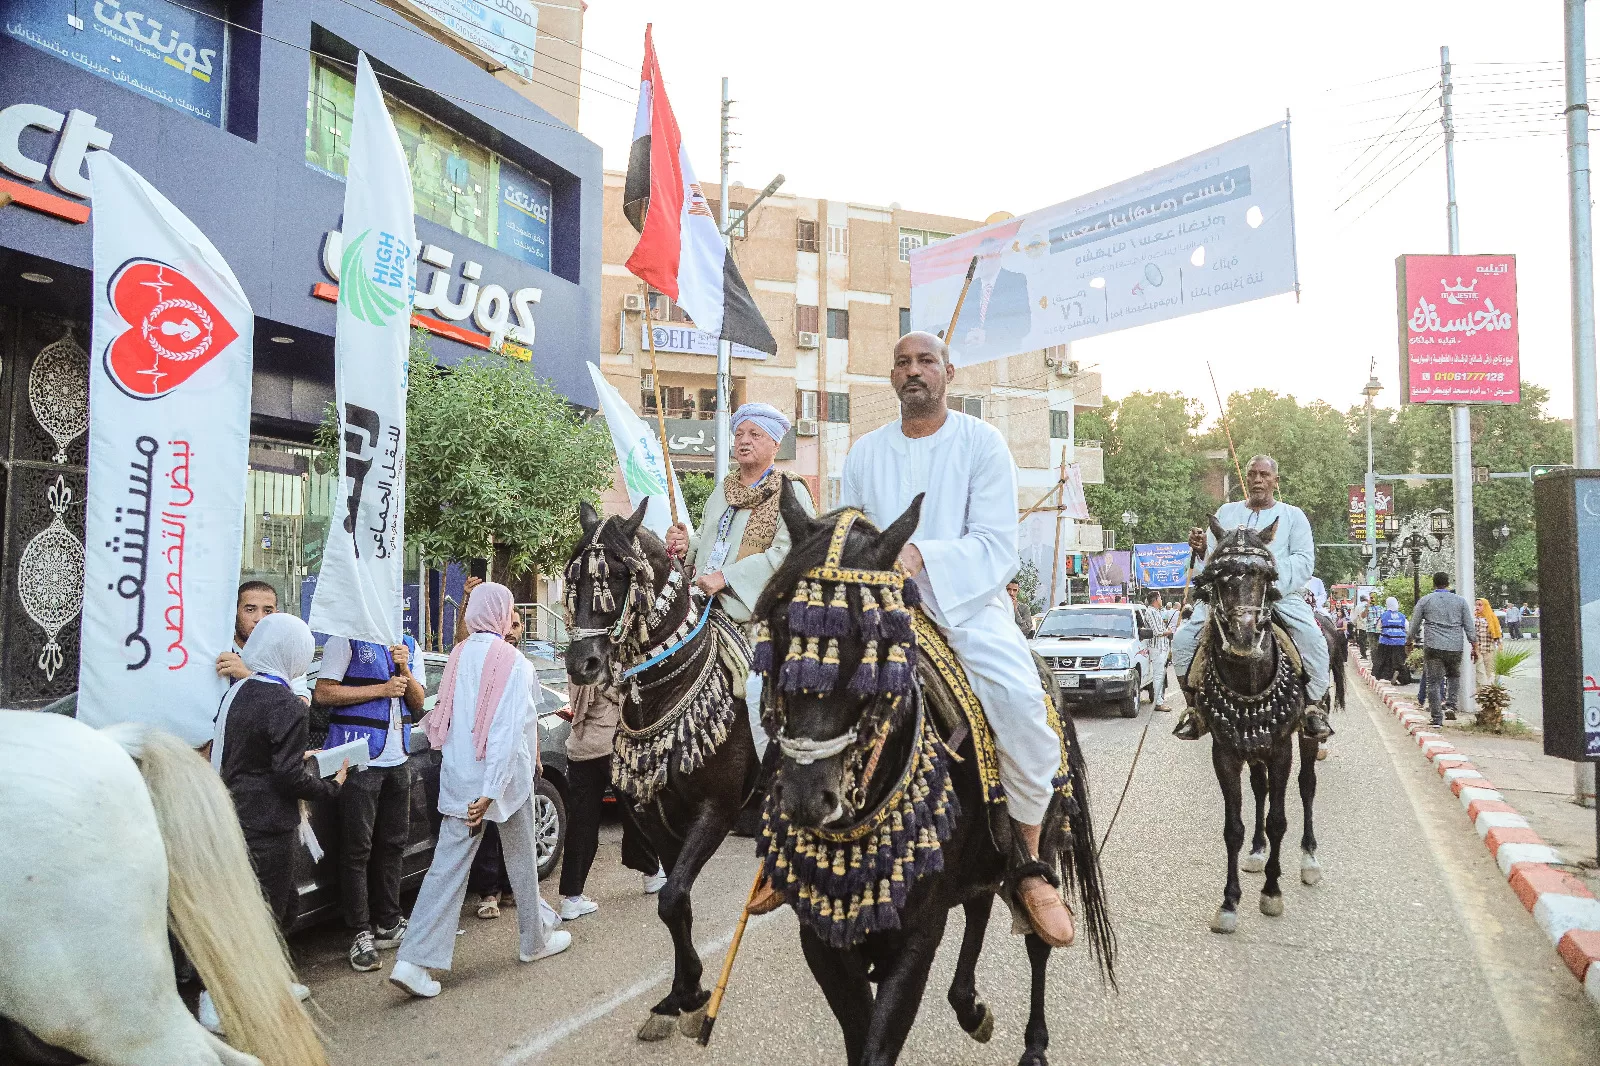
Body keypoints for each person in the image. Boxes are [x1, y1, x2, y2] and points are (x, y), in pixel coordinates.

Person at [833, 330, 1074, 947]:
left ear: (948, 372)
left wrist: (919, 554)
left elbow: (998, 546)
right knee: (801, 688)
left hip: (967, 606)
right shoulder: (864, 453)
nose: (914, 371)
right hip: (879, 611)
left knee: (1022, 704)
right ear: (891, 377)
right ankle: (799, 842)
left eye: (926, 361)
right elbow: (849, 537)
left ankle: (1026, 859)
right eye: (903, 363)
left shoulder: (983, 443)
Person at [389, 583, 570, 998]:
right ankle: (534, 940)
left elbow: (449, 717)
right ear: (502, 613)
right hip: (502, 781)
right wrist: (491, 790)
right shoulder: (515, 663)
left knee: (447, 868)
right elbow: (506, 733)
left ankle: (413, 960)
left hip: (461, 778)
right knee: (522, 861)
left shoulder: (458, 655)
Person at [203, 613, 346, 1031]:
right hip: (268, 822)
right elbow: (286, 777)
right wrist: (331, 785)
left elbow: (246, 754)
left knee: (275, 905)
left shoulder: (239, 691)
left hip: (232, 811)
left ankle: (273, 981)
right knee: (263, 911)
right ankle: (220, 1000)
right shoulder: (288, 704)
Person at [1171, 455, 1332, 741]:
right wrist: (1199, 550)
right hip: (1227, 598)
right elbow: (1212, 562)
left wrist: (1263, 576)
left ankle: (1312, 708)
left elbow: (1305, 561)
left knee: (1314, 640)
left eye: (1264, 475)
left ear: (1275, 481)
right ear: (1246, 479)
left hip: (1278, 595)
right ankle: (1194, 711)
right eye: (1253, 474)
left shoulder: (1294, 516)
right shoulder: (1226, 512)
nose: (1258, 480)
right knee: (1183, 640)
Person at [314, 629, 427, 972]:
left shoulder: (407, 644)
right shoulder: (345, 639)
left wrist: (404, 671)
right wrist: (381, 688)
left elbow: (419, 704)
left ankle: (389, 921)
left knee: (393, 844)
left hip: (398, 760)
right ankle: (359, 931)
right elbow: (322, 693)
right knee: (356, 849)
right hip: (359, 760)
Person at [556, 682, 665, 920]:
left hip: (580, 747)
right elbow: (626, 694)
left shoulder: (575, 660)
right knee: (633, 811)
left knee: (581, 823)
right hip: (612, 745)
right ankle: (651, 874)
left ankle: (572, 898)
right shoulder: (604, 655)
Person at [216, 581, 310, 700]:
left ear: (277, 616)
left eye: (268, 611)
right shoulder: (218, 648)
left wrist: (249, 677)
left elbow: (301, 704)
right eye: (250, 610)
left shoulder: (287, 655)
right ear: (234, 613)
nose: (259, 618)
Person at [1409, 573, 1477, 728]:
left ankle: (1437, 718)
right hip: (1455, 646)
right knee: (1454, 676)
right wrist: (1474, 645)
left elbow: (1414, 624)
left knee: (1433, 682)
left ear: (1434, 584)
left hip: (1433, 646)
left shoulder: (1425, 600)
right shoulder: (1460, 601)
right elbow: (1469, 625)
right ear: (1448, 584)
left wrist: (1409, 642)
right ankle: (1451, 706)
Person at [1145, 592, 1172, 707]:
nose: (1161, 600)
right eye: (1160, 598)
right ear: (1156, 599)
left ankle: (1160, 699)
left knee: (1160, 675)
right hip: (1157, 648)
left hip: (1162, 647)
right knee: (1158, 675)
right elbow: (1157, 632)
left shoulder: (1157, 612)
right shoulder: (1150, 612)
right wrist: (1168, 632)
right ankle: (1158, 702)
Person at [1374, 597, 1408, 681]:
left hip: (1386, 642)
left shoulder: (1384, 615)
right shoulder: (1402, 616)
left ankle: (1386, 676)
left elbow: (1378, 628)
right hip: (1400, 642)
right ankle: (1402, 677)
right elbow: (1407, 628)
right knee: (1400, 661)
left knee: (1384, 660)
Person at [1475, 597, 1502, 689]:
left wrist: (1500, 645)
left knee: (1488, 672)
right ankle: (1482, 691)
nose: (1477, 607)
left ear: (1485, 606)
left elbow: (1497, 632)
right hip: (1477, 650)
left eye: (1480, 605)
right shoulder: (1474, 618)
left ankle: (1486, 694)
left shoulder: (1492, 618)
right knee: (1480, 672)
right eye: (1476, 605)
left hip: (1489, 649)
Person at [1353, 595, 1371, 660]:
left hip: (1361, 626)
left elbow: (1354, 618)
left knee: (1362, 641)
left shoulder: (1358, 607)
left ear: (1360, 600)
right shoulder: (1370, 605)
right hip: (1370, 626)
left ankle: (1364, 655)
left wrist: (1354, 624)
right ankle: (1370, 654)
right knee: (1369, 640)